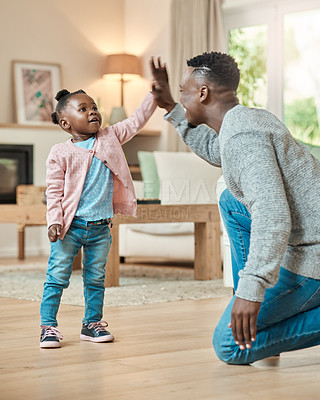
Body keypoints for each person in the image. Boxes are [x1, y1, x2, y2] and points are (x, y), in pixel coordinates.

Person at [150, 53, 320, 364]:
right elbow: (217, 151)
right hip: (310, 239)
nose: (183, 96)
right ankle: (255, 309)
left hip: (315, 258)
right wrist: (171, 107)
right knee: (232, 199)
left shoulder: (243, 137)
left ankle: (252, 306)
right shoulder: (248, 120)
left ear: (203, 93)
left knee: (229, 345)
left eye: (183, 90)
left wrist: (252, 290)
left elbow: (272, 213)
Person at [40, 88, 157, 348]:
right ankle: (48, 326)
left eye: (94, 107)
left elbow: (136, 121)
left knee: (95, 278)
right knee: (57, 277)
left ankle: (91, 324)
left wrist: (154, 96)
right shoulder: (60, 152)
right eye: (83, 109)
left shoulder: (110, 137)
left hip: (101, 228)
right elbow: (54, 191)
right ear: (65, 123)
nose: (92, 111)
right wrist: (54, 221)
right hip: (69, 228)